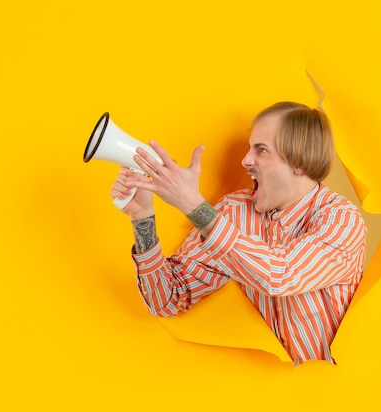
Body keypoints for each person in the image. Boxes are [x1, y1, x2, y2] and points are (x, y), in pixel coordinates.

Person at [111, 102, 367, 366]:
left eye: (261, 150)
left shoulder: (342, 220)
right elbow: (167, 300)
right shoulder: (233, 212)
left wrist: (192, 205)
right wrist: (143, 218)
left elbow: (280, 276)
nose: (246, 160)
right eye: (249, 148)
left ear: (299, 162)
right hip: (271, 394)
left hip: (338, 395)